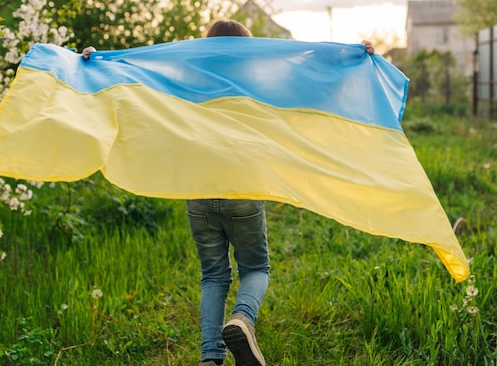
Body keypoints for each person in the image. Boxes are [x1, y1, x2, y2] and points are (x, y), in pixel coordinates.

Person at [82, 20, 374, 366]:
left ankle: (210, 357)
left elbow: (139, 81)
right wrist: (353, 58)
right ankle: (242, 320)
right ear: (248, 50)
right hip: (243, 192)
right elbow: (310, 85)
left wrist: (97, 60)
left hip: (199, 193)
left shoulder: (186, 83)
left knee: (213, 274)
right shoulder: (258, 83)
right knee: (255, 268)